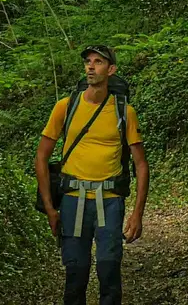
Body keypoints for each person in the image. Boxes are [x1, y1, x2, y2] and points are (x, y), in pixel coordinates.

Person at [37, 45, 149, 305]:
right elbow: (41, 156)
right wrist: (50, 207)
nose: (90, 66)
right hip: (72, 199)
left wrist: (138, 214)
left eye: (98, 62)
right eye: (88, 61)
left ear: (111, 70)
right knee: (75, 272)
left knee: (109, 269)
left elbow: (141, 164)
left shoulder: (124, 111)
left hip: (109, 200)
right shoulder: (65, 107)